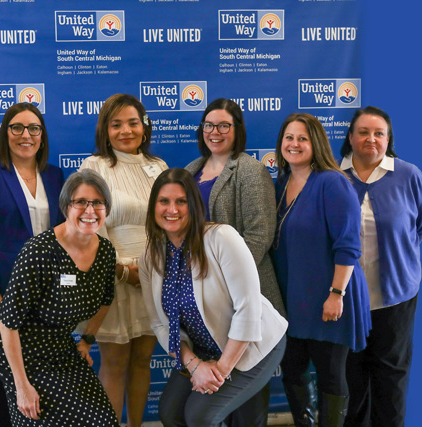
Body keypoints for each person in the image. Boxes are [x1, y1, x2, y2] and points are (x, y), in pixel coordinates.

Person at [139, 168, 288, 427]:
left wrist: (219, 371)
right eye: (164, 201)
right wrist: (194, 365)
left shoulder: (221, 237)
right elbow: (161, 324)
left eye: (181, 201)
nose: (171, 209)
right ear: (154, 207)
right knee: (170, 412)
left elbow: (248, 309)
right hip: (201, 350)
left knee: (200, 416)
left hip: (254, 345)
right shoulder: (151, 255)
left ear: (194, 205)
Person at [0, 169, 119, 426]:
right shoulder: (39, 251)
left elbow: (105, 299)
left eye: (98, 203)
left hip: (59, 346)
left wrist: (87, 340)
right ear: (66, 206)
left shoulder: (105, 252)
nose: (89, 210)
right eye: (80, 202)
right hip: (17, 348)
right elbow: (7, 322)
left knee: (102, 420)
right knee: (40, 415)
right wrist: (21, 386)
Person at [185, 98, 285, 426]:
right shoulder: (190, 171)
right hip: (206, 302)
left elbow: (260, 234)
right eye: (209, 125)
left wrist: (227, 281)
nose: (215, 132)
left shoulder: (250, 170)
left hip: (247, 295)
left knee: (247, 395)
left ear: (237, 130)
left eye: (224, 125)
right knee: (218, 396)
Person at [0, 102, 65, 425]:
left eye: (34, 128)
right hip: (4, 293)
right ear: (5, 133)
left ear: (42, 136)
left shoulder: (55, 176)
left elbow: (64, 236)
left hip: (48, 294)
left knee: (44, 372)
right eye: (17, 128)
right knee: (11, 373)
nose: (26, 135)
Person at [271, 113, 371, 427]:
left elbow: (349, 245)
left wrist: (337, 294)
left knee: (330, 376)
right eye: (289, 137)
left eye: (302, 138)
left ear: (316, 143)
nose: (294, 144)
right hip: (291, 300)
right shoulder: (282, 182)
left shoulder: (333, 182)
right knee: (293, 371)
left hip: (329, 297)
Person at [339, 107, 422, 427]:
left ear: (388, 139)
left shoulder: (409, 175)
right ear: (350, 137)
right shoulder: (334, 177)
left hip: (395, 298)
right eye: (363, 132)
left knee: (391, 381)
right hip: (347, 301)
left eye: (379, 133)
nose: (371, 139)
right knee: (352, 380)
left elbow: (421, 224)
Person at [79, 93, 168, 426]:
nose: (125, 131)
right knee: (114, 364)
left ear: (144, 128)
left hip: (153, 275)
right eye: (116, 124)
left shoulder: (158, 167)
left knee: (143, 361)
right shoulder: (95, 167)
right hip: (113, 278)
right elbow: (88, 225)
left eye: (133, 123)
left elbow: (168, 221)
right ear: (106, 130)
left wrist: (149, 270)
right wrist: (120, 269)